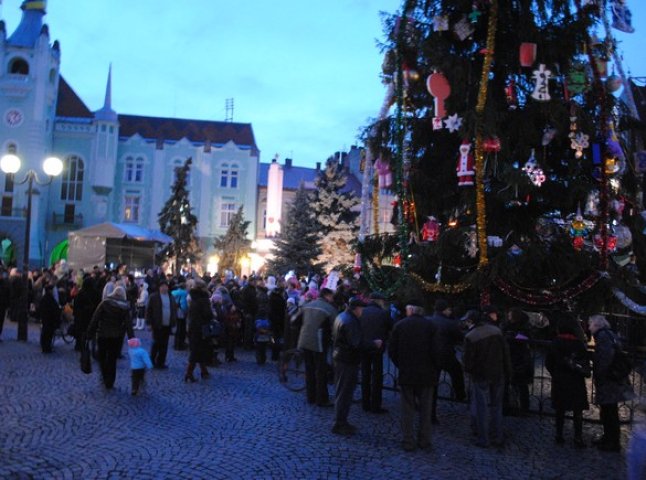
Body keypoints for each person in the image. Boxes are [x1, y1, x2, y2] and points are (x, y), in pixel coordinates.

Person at [389, 299, 438, 451]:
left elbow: (392, 351)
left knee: (407, 409)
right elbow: (437, 351)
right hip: (426, 374)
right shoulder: (431, 326)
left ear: (410, 310)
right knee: (425, 409)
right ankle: (424, 440)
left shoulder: (400, 325)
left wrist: (401, 365)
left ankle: (408, 440)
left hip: (407, 373)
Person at [331, 297, 383, 436]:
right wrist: (374, 344)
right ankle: (340, 423)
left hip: (342, 358)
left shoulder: (342, 316)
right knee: (344, 393)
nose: (363, 312)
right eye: (362, 309)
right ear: (357, 308)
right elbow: (356, 343)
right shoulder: (350, 321)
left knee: (343, 391)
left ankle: (342, 421)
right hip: (347, 360)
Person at [463, 308, 511, 448]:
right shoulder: (497, 331)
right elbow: (505, 353)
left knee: (482, 406)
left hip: (481, 375)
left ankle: (484, 438)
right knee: (497, 406)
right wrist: (508, 371)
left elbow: (468, 361)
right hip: (498, 373)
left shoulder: (471, 336)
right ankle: (498, 436)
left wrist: (469, 372)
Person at [588, 314, 635, 452]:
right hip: (613, 379)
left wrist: (599, 374)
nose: (589, 327)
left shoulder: (603, 337)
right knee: (609, 410)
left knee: (609, 412)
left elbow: (605, 359)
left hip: (609, 381)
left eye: (590, 324)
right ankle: (609, 437)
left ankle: (612, 442)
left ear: (597, 325)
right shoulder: (610, 335)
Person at [545, 316, 590, 448]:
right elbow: (584, 362)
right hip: (576, 380)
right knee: (577, 411)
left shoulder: (556, 342)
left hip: (560, 379)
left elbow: (549, 362)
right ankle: (578, 437)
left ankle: (559, 435)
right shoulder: (579, 344)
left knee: (560, 409)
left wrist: (556, 372)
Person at [86, 286, 134, 389]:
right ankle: (110, 381)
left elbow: (95, 318)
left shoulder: (105, 303)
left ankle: (104, 377)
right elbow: (128, 325)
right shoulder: (124, 307)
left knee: (102, 358)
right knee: (112, 359)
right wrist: (132, 339)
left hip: (103, 334)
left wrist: (89, 333)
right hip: (116, 337)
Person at [297, 288, 338, 408]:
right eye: (331, 296)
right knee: (321, 371)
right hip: (319, 342)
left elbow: (294, 320)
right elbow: (336, 325)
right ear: (327, 296)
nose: (332, 299)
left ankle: (311, 396)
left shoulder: (307, 305)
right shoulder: (329, 308)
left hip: (304, 340)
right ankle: (321, 399)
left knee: (309, 369)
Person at [428, 298, 465, 424]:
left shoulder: (429, 320)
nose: (450, 311)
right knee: (457, 371)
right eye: (448, 309)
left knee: (432, 386)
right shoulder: (450, 323)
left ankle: (430, 413)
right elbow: (461, 337)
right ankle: (460, 394)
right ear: (444, 310)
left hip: (431, 356)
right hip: (446, 355)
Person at [359, 291, 392, 414]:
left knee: (365, 375)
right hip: (377, 348)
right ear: (379, 301)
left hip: (364, 347)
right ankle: (375, 404)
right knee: (377, 377)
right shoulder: (383, 313)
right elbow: (390, 327)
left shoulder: (362, 311)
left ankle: (365, 403)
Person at [502, 307, 534, 415]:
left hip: (520, 357)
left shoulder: (524, 326)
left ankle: (523, 409)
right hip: (510, 356)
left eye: (510, 315)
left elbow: (528, 338)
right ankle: (508, 407)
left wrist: (515, 336)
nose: (509, 316)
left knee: (521, 384)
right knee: (507, 383)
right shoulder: (506, 325)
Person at [185, 279, 213, 382]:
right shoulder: (204, 299)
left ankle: (204, 371)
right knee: (197, 351)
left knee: (198, 350)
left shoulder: (193, 298)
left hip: (193, 326)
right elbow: (207, 314)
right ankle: (189, 373)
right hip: (201, 327)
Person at [146, 280, 177, 369]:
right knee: (156, 343)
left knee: (165, 344)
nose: (164, 288)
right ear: (159, 288)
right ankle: (152, 360)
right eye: (162, 286)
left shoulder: (171, 297)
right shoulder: (154, 297)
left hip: (167, 324)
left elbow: (173, 310)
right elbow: (149, 310)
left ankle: (161, 362)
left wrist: (173, 322)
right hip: (157, 323)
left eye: (165, 286)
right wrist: (149, 323)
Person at [72, 274, 98, 352]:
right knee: (90, 331)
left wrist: (75, 314)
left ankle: (79, 345)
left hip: (80, 316)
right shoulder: (96, 293)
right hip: (91, 316)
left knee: (80, 331)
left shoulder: (80, 293)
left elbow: (76, 305)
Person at [39, 284, 61, 353]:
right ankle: (47, 347)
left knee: (45, 333)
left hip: (45, 319)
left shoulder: (44, 299)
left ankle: (45, 346)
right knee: (48, 334)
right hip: (50, 319)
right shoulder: (50, 299)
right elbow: (55, 309)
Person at [172, 281, 189, 350]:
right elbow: (184, 304)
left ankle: (176, 344)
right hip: (181, 311)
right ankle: (180, 344)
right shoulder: (184, 293)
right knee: (182, 328)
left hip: (175, 311)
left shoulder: (173, 292)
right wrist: (186, 311)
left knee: (178, 328)